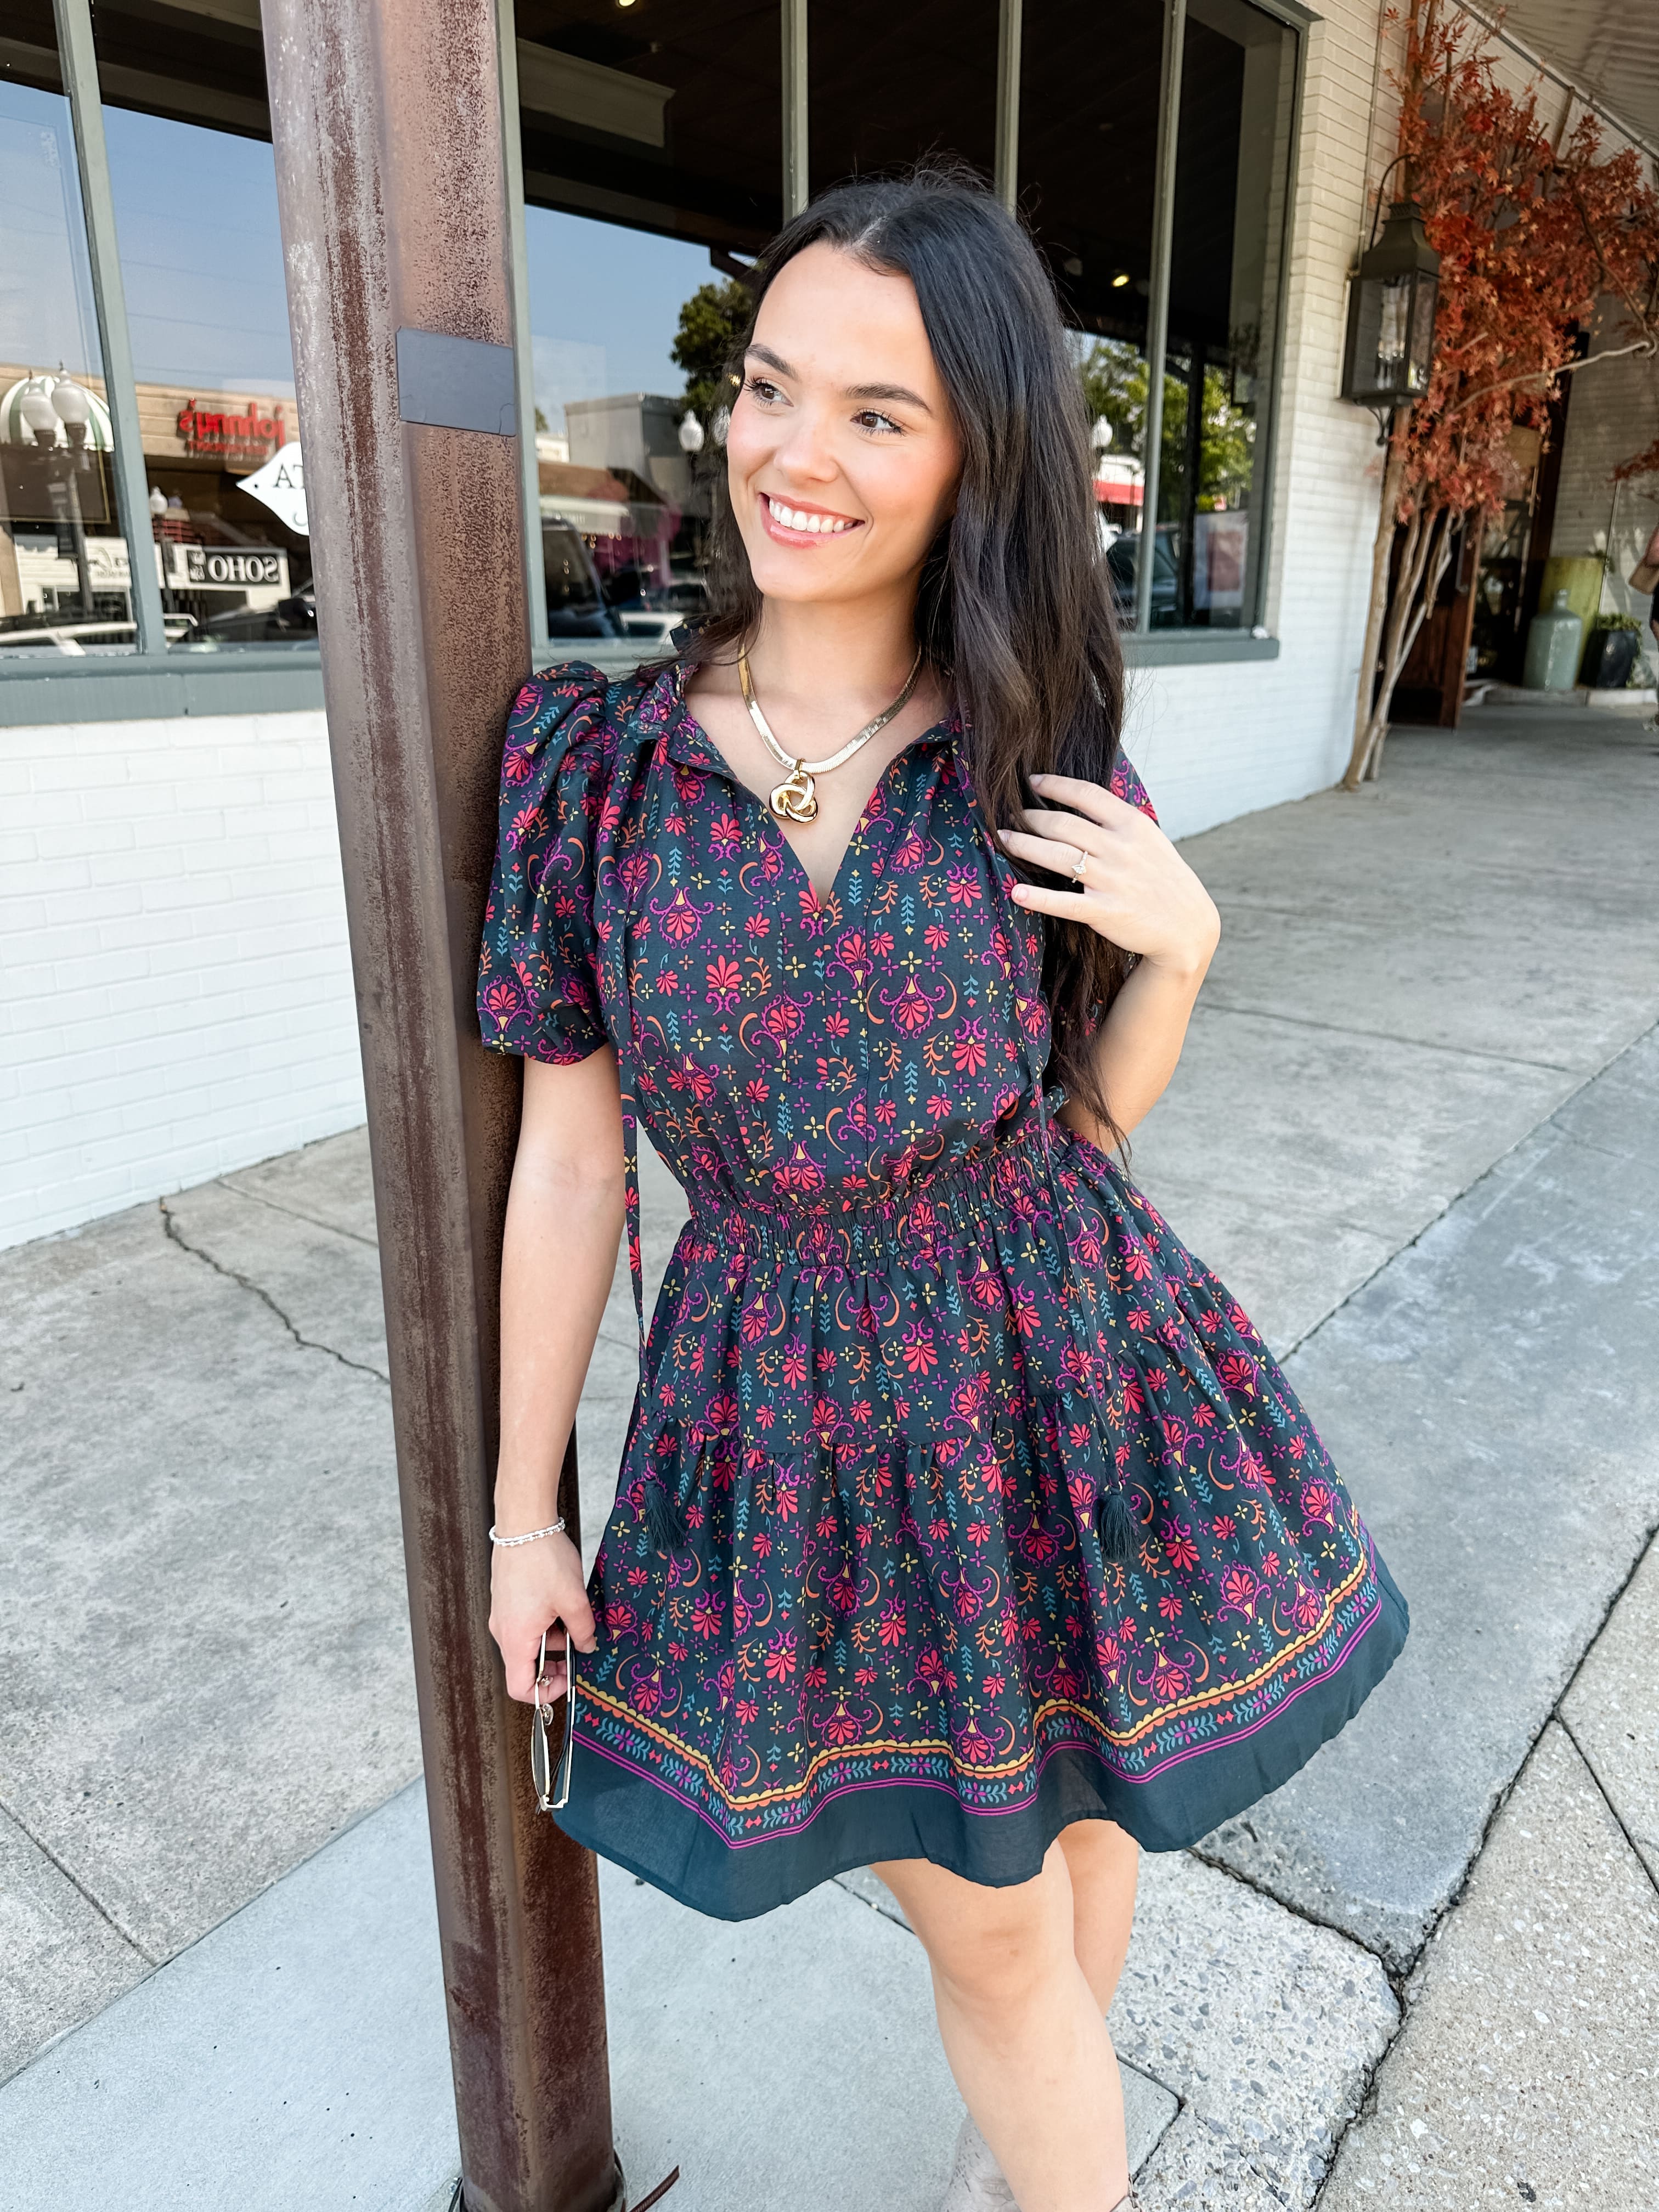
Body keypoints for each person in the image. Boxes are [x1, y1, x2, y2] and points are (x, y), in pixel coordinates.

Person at [478, 166, 1409, 2212]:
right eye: (771, 390)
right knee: (991, 1914)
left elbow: (1085, 1126)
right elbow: (568, 1164)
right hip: (794, 1411)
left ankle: (1043, 2171)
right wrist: (523, 1514)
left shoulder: (1033, 737)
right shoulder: (599, 774)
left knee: (1070, 1839)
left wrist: (1181, 947)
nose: (795, 454)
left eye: (876, 415)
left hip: (1055, 1352)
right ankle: (1060, 2150)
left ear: (975, 449)